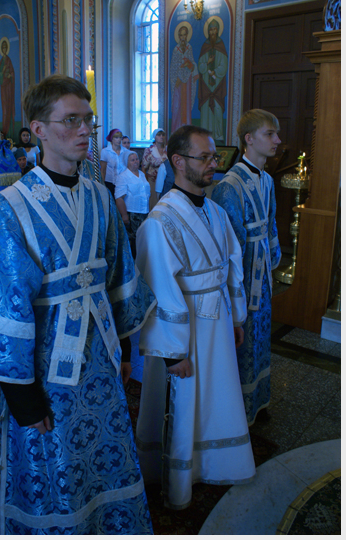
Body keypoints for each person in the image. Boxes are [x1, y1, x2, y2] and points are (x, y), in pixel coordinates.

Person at [0, 74, 156, 535]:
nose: (85, 130)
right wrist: (23, 399)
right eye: (71, 120)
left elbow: (118, 276)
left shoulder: (100, 196)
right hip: (46, 370)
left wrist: (125, 350)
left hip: (101, 357)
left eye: (88, 120)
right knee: (55, 461)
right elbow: (3, 306)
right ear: (38, 130)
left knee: (105, 455)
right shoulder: (11, 207)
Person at [135, 124, 256, 510]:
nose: (213, 164)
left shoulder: (216, 211)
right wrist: (173, 354)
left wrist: (236, 318)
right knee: (184, 401)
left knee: (215, 395)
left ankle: (211, 464)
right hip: (183, 334)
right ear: (177, 161)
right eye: (204, 157)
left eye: (214, 157)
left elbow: (232, 266)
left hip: (217, 322)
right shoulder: (160, 221)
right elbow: (158, 290)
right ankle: (178, 480)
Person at [211, 109, 282, 425]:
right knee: (243, 339)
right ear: (249, 139)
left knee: (261, 337)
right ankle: (238, 410)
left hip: (262, 274)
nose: (277, 140)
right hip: (242, 281)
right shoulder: (230, 185)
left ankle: (258, 400)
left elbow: (271, 223)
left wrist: (272, 261)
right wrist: (234, 288)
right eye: (270, 134)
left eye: (276, 134)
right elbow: (229, 245)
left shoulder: (267, 180)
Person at [115, 151, 150, 258]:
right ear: (127, 162)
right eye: (132, 160)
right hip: (132, 214)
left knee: (143, 239)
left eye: (137, 159)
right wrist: (124, 215)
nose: (136, 162)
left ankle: (142, 261)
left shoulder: (142, 174)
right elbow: (119, 198)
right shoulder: (123, 177)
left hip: (144, 212)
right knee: (134, 241)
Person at [198, 18, 228, 142]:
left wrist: (215, 71)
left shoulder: (221, 46)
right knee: (206, 110)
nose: (212, 32)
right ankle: (205, 136)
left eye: (215, 29)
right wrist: (207, 63)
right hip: (206, 84)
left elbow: (224, 66)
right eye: (211, 30)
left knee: (217, 109)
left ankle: (218, 135)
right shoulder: (205, 46)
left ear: (218, 30)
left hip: (217, 85)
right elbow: (200, 66)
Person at [170, 25, 198, 133]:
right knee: (177, 105)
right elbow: (173, 66)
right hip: (178, 82)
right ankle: (177, 129)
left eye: (184, 35)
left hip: (187, 83)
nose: (183, 37)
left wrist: (190, 65)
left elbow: (192, 62)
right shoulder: (176, 50)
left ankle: (186, 129)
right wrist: (177, 77)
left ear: (187, 36)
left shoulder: (189, 48)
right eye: (181, 35)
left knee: (186, 104)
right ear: (178, 36)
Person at [141, 128, 167, 209]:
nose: (161, 137)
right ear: (155, 137)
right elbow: (144, 168)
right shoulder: (149, 150)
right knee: (154, 203)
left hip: (166, 181)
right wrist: (145, 183)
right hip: (153, 181)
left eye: (163, 135)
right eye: (159, 135)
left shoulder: (167, 149)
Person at [100, 128, 130, 196]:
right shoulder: (105, 151)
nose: (119, 140)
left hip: (123, 182)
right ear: (112, 139)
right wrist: (102, 184)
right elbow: (103, 170)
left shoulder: (126, 151)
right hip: (109, 182)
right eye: (116, 138)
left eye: (120, 138)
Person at [0, 39, 15, 137]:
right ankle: (4, 129)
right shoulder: (1, 61)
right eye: (3, 48)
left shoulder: (8, 60)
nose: (4, 49)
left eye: (5, 48)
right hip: (3, 88)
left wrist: (10, 75)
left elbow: (12, 72)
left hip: (9, 87)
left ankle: (9, 128)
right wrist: (3, 72)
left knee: (8, 107)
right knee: (4, 108)